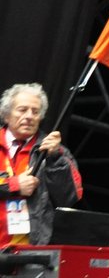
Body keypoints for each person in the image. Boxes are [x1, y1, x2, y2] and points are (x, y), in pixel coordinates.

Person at [1, 83, 83, 248]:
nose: (30, 116)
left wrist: (55, 159)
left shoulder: (56, 152)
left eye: (36, 112)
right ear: (7, 115)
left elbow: (70, 198)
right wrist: (13, 185)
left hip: (29, 254)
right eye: (22, 110)